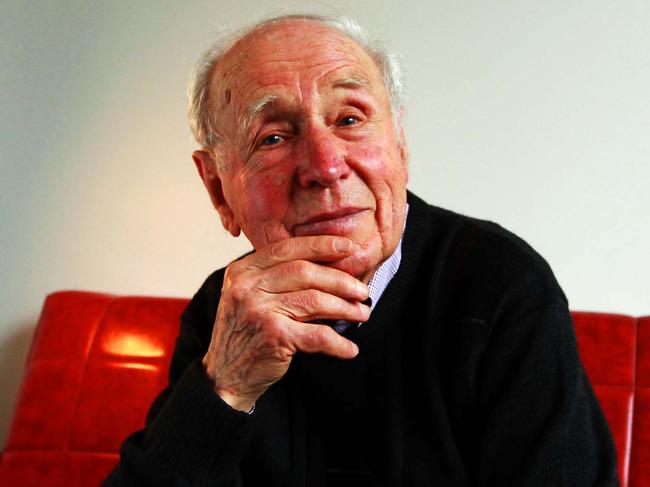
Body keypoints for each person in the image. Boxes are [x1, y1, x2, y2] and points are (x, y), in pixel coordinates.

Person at [103, 14, 618, 487]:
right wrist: (226, 386)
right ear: (219, 189)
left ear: (400, 147)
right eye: (274, 137)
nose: (325, 166)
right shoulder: (226, 309)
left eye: (349, 119)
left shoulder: (502, 285)